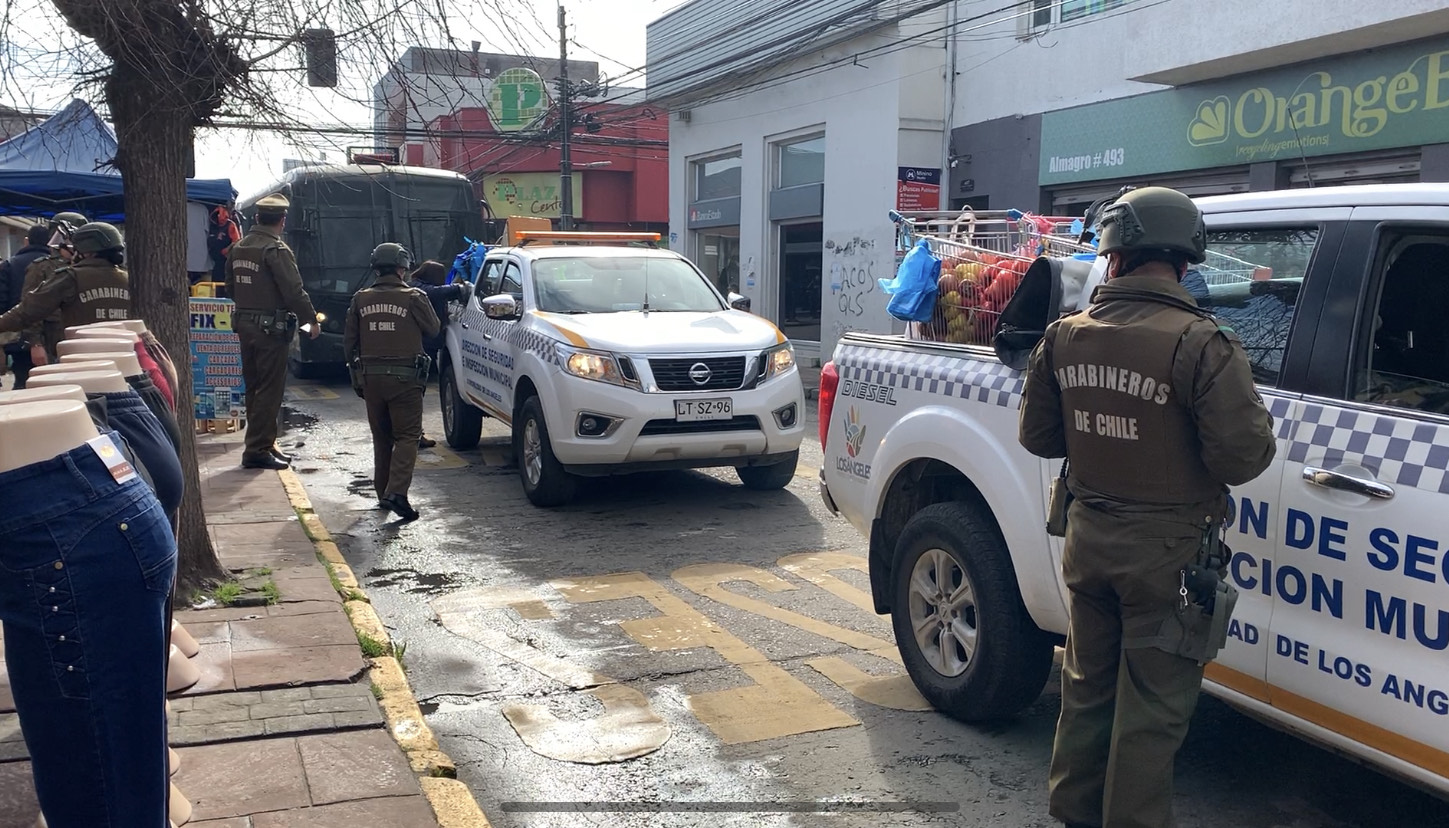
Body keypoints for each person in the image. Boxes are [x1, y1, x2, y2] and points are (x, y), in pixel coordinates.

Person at [1017, 186, 1277, 828]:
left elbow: (1039, 438)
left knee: (1085, 691)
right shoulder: (1203, 344)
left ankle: (1074, 814)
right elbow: (1243, 460)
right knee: (1151, 716)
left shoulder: (1064, 337)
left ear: (1113, 258)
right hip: (1167, 561)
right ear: (1185, 264)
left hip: (1088, 542)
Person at [224, 193, 321, 470]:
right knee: (269, 389)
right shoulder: (275, 250)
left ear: (257, 218)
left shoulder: (238, 248)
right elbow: (293, 291)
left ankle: (263, 443)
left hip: (244, 323)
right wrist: (311, 320)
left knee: (253, 387)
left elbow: (231, 287)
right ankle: (257, 449)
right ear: (282, 220)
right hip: (270, 328)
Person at [345, 243, 440, 521]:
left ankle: (383, 494)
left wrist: (356, 376)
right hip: (406, 379)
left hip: (371, 379)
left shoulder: (360, 299)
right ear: (402, 268)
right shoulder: (414, 297)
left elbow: (349, 342)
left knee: (381, 438)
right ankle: (397, 492)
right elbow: (433, 329)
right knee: (408, 436)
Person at [0, 221, 131, 342]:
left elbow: (27, 311)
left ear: (87, 252)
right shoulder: (128, 279)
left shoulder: (70, 277)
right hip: (124, 354)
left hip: (82, 356)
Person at [406, 259, 471, 448]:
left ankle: (412, 433)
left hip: (423, 347)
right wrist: (461, 288)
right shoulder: (418, 289)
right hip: (419, 349)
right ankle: (413, 435)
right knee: (414, 394)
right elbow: (438, 292)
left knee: (415, 393)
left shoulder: (418, 285)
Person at [17, 212, 87, 364]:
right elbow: (30, 308)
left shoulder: (87, 266)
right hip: (52, 341)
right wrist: (35, 344)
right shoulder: (41, 267)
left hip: (83, 340)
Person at [0, 224, 55, 388]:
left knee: (24, 381)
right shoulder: (59, 266)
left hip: (18, 338)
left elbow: (1, 302)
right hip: (53, 335)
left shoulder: (9, 265)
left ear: (26, 241)